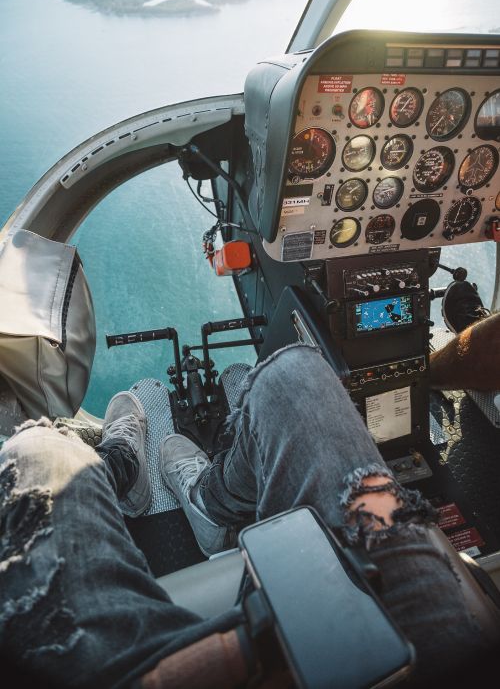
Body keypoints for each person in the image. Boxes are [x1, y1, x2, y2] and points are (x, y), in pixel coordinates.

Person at [0, 282, 499, 688]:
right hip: (448, 650)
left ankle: (140, 478)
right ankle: (222, 477)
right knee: (292, 372)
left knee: (40, 450)